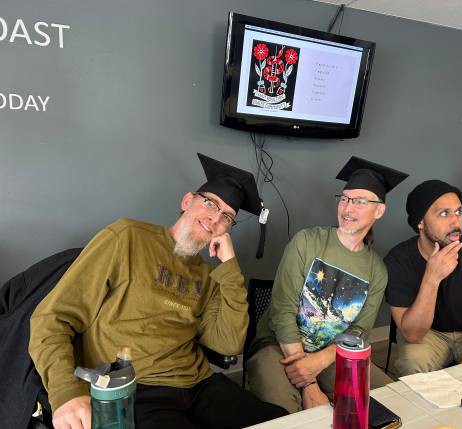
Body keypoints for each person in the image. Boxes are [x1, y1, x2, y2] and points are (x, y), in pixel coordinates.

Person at [29, 153, 287, 429]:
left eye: (227, 216)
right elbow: (52, 318)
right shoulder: (128, 237)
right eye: (210, 203)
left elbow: (229, 343)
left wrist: (230, 268)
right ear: (187, 201)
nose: (215, 218)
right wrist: (65, 392)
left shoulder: (211, 275)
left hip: (199, 384)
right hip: (136, 389)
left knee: (284, 423)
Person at [246, 156, 408, 414]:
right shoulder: (307, 242)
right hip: (277, 346)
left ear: (379, 210)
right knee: (287, 413)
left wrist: (320, 361)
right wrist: (309, 383)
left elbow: (359, 330)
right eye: (344, 198)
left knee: (391, 401)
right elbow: (282, 311)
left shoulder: (376, 270)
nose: (348, 208)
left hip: (331, 353)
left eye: (360, 201)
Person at [384, 179, 462, 377]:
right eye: (444, 213)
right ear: (420, 222)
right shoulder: (397, 261)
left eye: (458, 212)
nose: (456, 222)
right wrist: (432, 277)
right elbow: (412, 334)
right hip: (427, 335)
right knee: (413, 362)